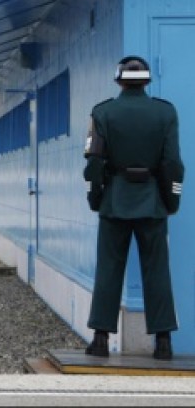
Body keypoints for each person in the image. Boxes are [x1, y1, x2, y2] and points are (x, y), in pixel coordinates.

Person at [83, 55, 184, 360]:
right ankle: (163, 342)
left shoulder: (103, 112)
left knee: (109, 269)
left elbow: (94, 164)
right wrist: (171, 201)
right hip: (152, 202)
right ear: (147, 81)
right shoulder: (165, 113)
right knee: (157, 271)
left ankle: (101, 339)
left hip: (115, 201)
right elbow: (172, 163)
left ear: (119, 80)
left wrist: (96, 198)